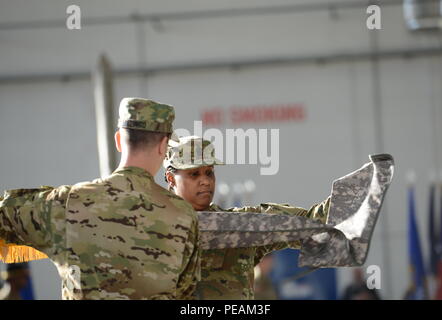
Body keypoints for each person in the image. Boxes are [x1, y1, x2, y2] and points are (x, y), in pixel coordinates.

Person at [0, 98, 201, 300]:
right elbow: (185, 293)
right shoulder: (183, 215)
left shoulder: (67, 203)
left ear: (119, 141)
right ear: (163, 146)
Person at [164, 135, 330, 299]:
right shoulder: (151, 226)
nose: (205, 181)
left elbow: (313, 222)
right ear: (171, 178)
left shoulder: (242, 226)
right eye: (194, 174)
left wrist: (353, 193)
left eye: (209, 173)